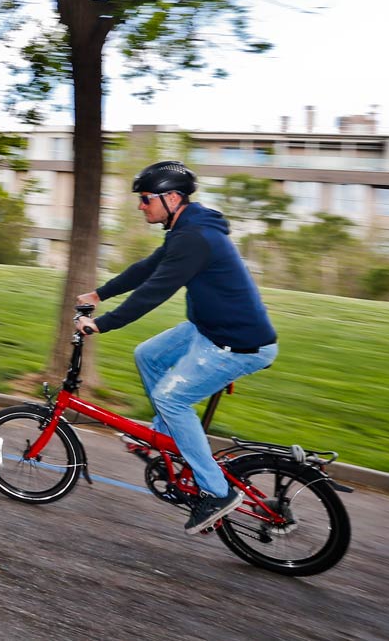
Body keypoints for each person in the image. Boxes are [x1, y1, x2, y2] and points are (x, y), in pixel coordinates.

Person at [74, 160, 278, 535]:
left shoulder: (194, 237)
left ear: (171, 198)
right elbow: (147, 269)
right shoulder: (186, 229)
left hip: (238, 343)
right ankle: (166, 435)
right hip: (211, 329)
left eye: (146, 198)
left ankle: (216, 492)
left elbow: (154, 291)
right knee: (148, 355)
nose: (141, 206)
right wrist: (99, 294)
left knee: (171, 398)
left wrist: (101, 324)